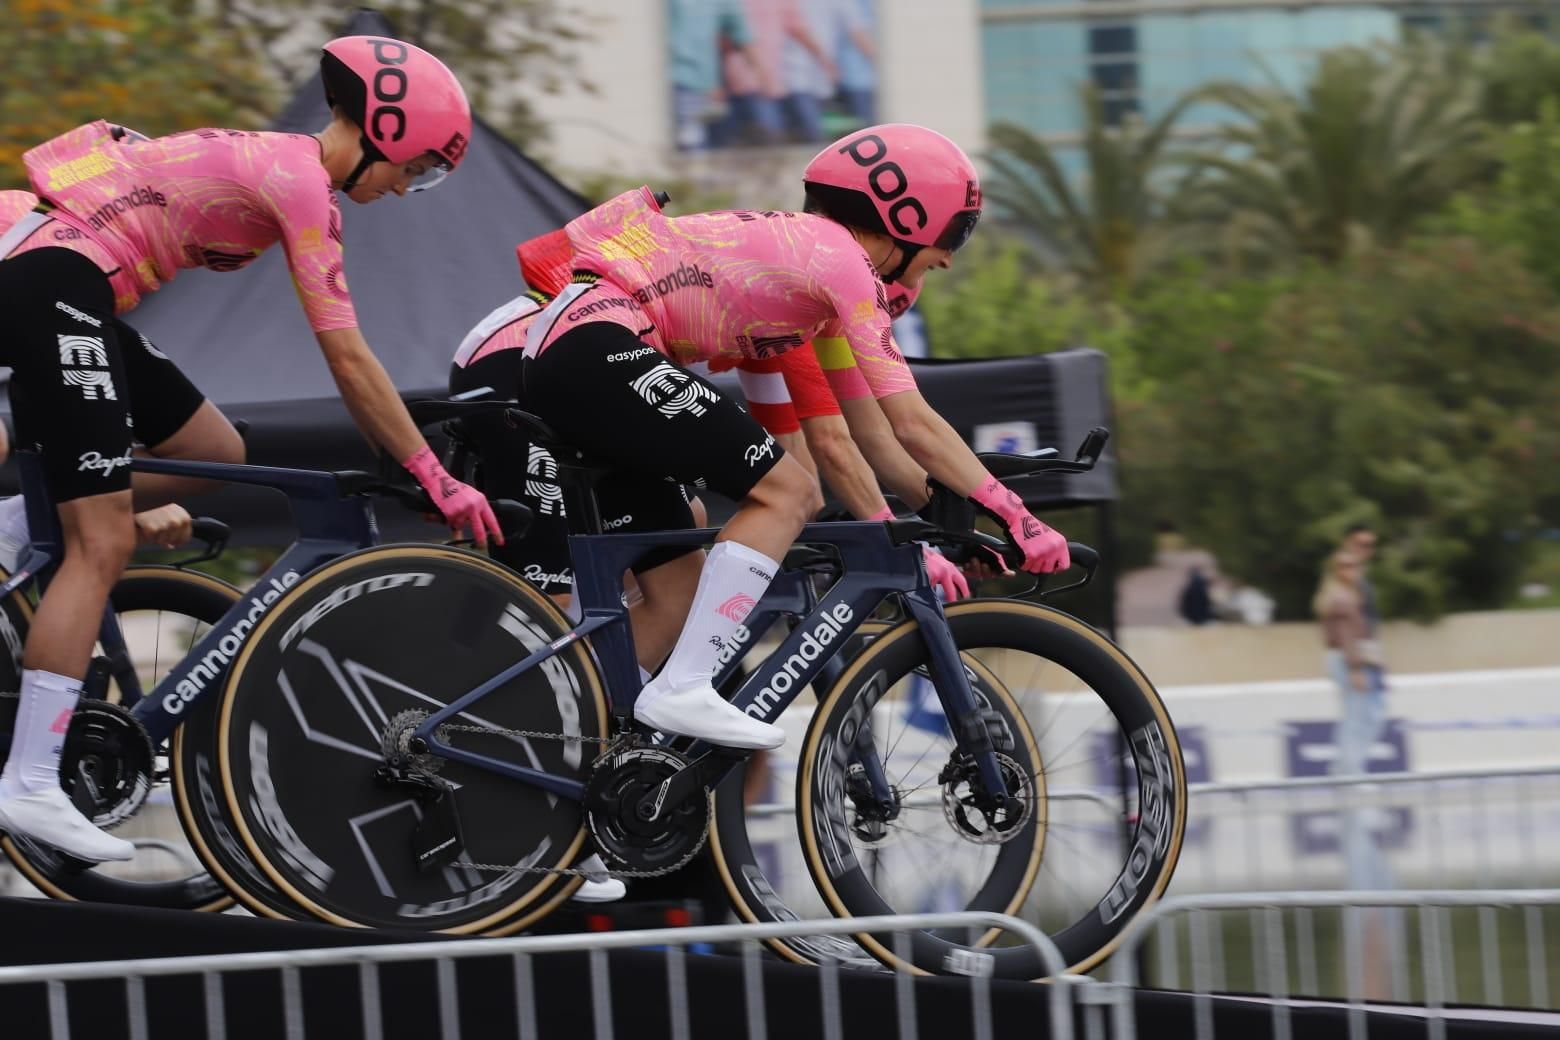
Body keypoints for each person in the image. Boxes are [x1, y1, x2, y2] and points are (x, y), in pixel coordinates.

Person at [0, 35, 497, 863]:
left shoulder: (292, 175)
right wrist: (430, 472)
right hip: (51, 273)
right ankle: (28, 782)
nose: (407, 190)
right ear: (381, 128)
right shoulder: (301, 182)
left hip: (70, 277)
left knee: (213, 447)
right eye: (417, 169)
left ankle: (19, 526)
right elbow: (346, 354)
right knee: (104, 540)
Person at [517, 123, 1070, 752]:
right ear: (906, 218)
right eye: (952, 237)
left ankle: (571, 740)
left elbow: (875, 438)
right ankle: (685, 689)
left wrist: (959, 521)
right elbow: (912, 419)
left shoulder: (813, 290)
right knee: (787, 493)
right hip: (594, 341)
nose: (946, 258)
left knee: (677, 586)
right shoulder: (838, 256)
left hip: (576, 346)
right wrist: (1021, 518)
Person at [1314, 551, 1385, 775]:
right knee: (1358, 718)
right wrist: (1355, 668)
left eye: (1354, 565)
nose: (1352, 570)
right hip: (1349, 660)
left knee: (1364, 715)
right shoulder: (1342, 598)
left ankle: (1346, 768)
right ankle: (1349, 770)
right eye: (1345, 566)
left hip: (1350, 658)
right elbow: (1346, 636)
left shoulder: (1348, 596)